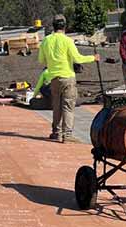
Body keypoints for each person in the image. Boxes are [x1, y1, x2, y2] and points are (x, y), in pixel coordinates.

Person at [38, 14, 100, 142]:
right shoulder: (67, 41)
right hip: (68, 78)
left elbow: (41, 60)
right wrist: (93, 58)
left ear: (53, 26)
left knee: (56, 106)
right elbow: (77, 58)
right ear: (65, 26)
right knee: (68, 106)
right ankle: (67, 135)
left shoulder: (46, 41)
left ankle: (56, 132)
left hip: (53, 78)